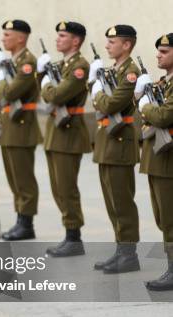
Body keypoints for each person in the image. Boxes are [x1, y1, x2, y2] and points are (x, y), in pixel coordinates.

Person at [89, 25, 141, 273]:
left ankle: (129, 254)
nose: (108, 45)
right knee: (111, 201)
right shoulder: (113, 70)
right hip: (107, 142)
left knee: (122, 201)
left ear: (127, 45)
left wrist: (95, 90)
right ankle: (121, 249)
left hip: (120, 143)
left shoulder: (130, 72)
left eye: (113, 41)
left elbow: (110, 104)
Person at [39, 21, 91, 257]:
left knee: (67, 187)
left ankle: (74, 237)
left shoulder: (80, 66)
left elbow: (58, 95)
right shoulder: (62, 65)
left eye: (63, 36)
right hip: (55, 132)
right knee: (57, 187)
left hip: (69, 133)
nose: (58, 39)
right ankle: (69, 234)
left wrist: (46, 82)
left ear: (76, 40)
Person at [0, 20, 42, 240]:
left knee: (24, 178)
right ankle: (20, 219)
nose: (3, 38)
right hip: (9, 126)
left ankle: (27, 223)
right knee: (14, 178)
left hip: (22, 127)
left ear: (21, 38)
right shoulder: (13, 59)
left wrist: (1, 77)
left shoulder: (27, 61)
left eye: (8, 34)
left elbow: (9, 93)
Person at [135, 33, 173, 290]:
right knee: (162, 217)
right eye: (158, 51)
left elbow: (163, 116)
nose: (158, 55)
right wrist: (140, 96)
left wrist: (145, 105)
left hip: (169, 161)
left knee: (170, 219)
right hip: (157, 159)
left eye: (164, 51)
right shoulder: (163, 82)